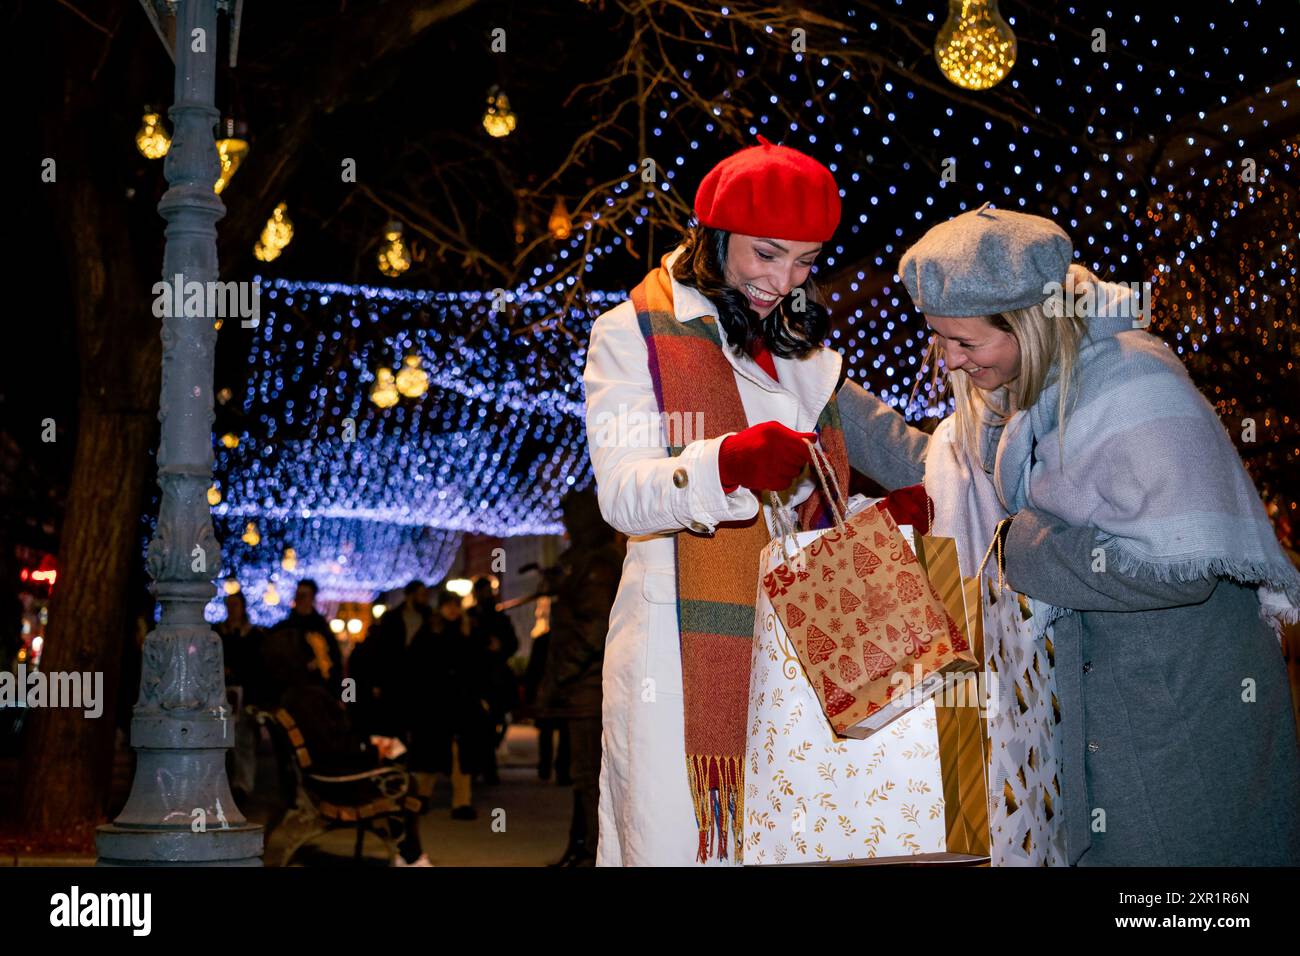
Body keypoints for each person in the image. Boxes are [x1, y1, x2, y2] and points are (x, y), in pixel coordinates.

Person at [836, 203, 1300, 865]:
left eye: (965, 343)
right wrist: (827, 391)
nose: (948, 361)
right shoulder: (1019, 396)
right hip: (1099, 710)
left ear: (1029, 325)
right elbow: (947, 470)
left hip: (1178, 716)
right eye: (939, 339)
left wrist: (1019, 545)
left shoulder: (1131, 386)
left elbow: (1178, 566)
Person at [583, 135, 850, 865]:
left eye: (805, 261)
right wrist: (724, 463)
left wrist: (873, 516)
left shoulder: (801, 348)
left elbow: (804, 512)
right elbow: (625, 495)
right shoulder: (631, 331)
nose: (784, 278)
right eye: (766, 253)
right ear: (716, 237)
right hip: (679, 644)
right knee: (680, 844)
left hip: (801, 639)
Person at [278, 657, 432, 866]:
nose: (328, 659)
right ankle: (410, 855)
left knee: (396, 777)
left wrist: (368, 747)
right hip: (336, 785)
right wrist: (371, 752)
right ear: (309, 662)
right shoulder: (309, 697)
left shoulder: (301, 694)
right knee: (405, 783)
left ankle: (407, 851)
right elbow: (330, 750)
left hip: (332, 777)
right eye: (320, 653)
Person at [537, 489, 623, 866]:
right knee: (582, 777)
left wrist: (565, 674)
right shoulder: (584, 562)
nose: (567, 525)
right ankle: (581, 846)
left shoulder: (597, 565)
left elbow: (593, 629)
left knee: (590, 779)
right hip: (582, 687)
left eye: (572, 518)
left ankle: (593, 852)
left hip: (589, 688)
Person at [405, 587, 491, 820]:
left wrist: (481, 696)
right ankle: (422, 796)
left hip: (462, 703)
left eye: (456, 605)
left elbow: (480, 665)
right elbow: (416, 665)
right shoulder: (429, 631)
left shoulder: (468, 631)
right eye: (448, 605)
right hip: (434, 702)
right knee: (430, 750)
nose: (452, 610)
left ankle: (462, 801)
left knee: (461, 755)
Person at [467, 576, 519, 785]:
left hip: (497, 678)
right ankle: (484, 765)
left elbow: (512, 643)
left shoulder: (500, 618)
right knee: (481, 723)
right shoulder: (471, 617)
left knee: (497, 720)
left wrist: (501, 647)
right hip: (477, 677)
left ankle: (487, 761)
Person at [214, 589, 266, 800]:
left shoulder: (253, 636)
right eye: (229, 605)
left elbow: (258, 667)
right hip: (221, 694)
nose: (232, 610)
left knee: (243, 740)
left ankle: (242, 785)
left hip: (245, 695)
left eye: (235, 605)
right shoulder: (219, 633)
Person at [269, 579, 342, 698]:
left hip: (318, 691)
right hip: (289, 692)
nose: (300, 599)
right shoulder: (284, 627)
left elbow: (334, 661)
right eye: (298, 595)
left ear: (312, 598)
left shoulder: (321, 628)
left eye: (304, 595)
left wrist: (339, 695)